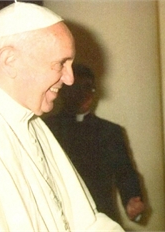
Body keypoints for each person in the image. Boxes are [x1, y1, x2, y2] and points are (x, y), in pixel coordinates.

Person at [0, 2, 123, 231]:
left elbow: (85, 222)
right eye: (61, 63)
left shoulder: (29, 119)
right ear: (10, 61)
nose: (69, 79)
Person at [45, 64, 145, 224]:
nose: (84, 95)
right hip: (60, 219)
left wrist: (132, 200)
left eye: (89, 88)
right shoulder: (47, 129)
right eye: (77, 88)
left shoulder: (110, 132)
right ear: (64, 91)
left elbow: (125, 173)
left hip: (101, 218)